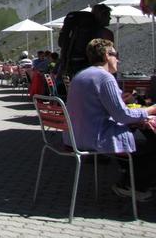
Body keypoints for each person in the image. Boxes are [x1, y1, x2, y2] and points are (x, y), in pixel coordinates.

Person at [65, 39, 156, 201]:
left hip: (76, 135)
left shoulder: (82, 75)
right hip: (95, 137)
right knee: (150, 141)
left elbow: (99, 104)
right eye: (116, 55)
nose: (118, 60)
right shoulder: (105, 78)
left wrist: (121, 100)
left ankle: (130, 178)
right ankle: (134, 186)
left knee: (139, 134)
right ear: (107, 55)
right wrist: (151, 109)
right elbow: (122, 116)